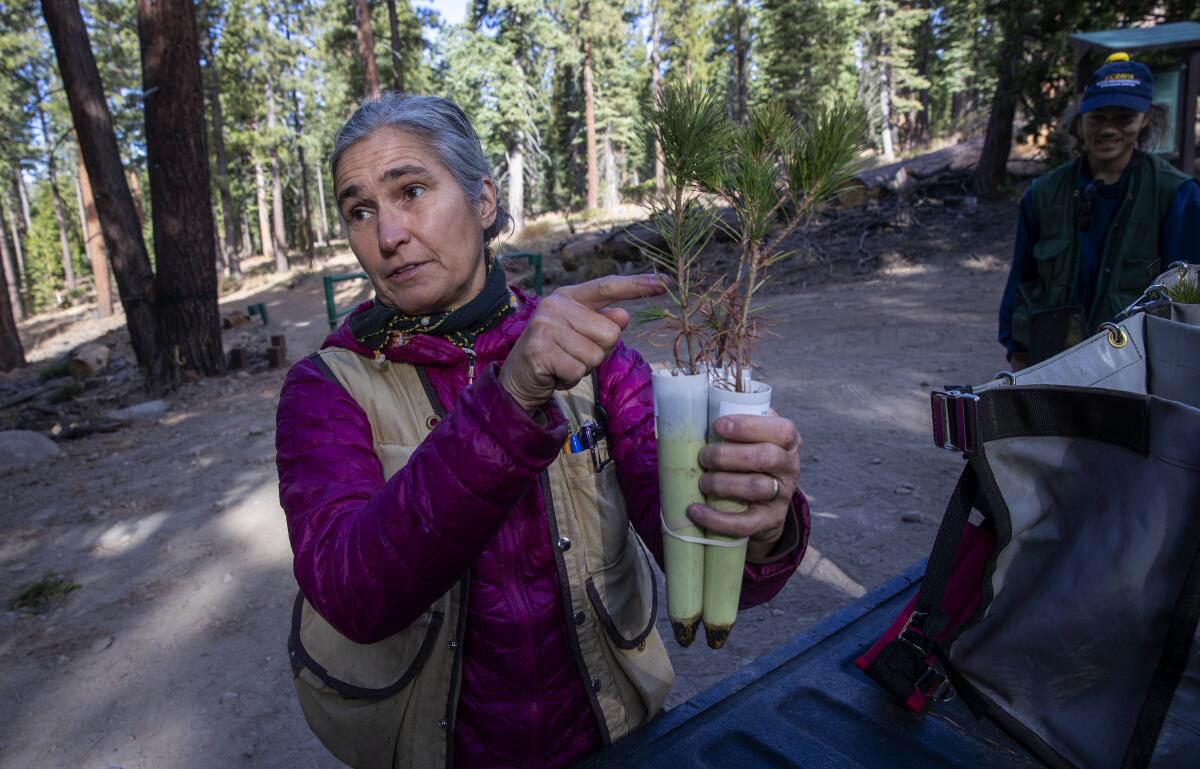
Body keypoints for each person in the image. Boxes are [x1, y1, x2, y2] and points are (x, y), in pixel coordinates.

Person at [275, 93, 810, 769]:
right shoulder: (328, 386)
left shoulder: (594, 353)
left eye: (411, 190)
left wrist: (758, 520)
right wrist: (511, 395)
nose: (387, 235)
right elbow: (354, 591)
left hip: (607, 731)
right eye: (361, 210)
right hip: (435, 748)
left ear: (485, 202)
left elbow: (688, 545)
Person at [998, 52, 1200, 369]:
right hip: (1054, 361)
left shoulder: (1176, 195)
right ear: (1080, 120)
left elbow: (1187, 301)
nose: (1108, 129)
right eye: (1098, 117)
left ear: (1145, 118)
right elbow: (1022, 282)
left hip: (1135, 368)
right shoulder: (1043, 194)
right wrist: (1018, 352)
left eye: (1124, 118)